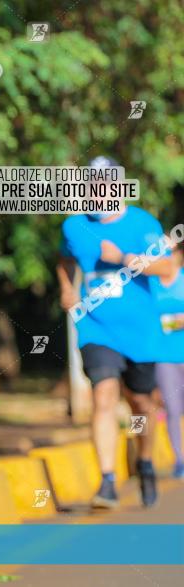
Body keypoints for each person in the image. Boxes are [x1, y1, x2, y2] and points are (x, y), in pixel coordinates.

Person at [57, 155, 176, 509]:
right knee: (103, 396)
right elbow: (64, 260)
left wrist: (125, 258)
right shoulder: (74, 226)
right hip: (96, 327)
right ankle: (107, 480)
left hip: (141, 332)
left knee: (140, 403)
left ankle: (145, 461)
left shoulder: (143, 223)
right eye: (92, 185)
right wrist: (67, 287)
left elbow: (167, 265)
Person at [151, 245, 184, 478]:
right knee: (173, 409)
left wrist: (166, 323)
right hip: (163, 357)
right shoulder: (150, 285)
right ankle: (179, 460)